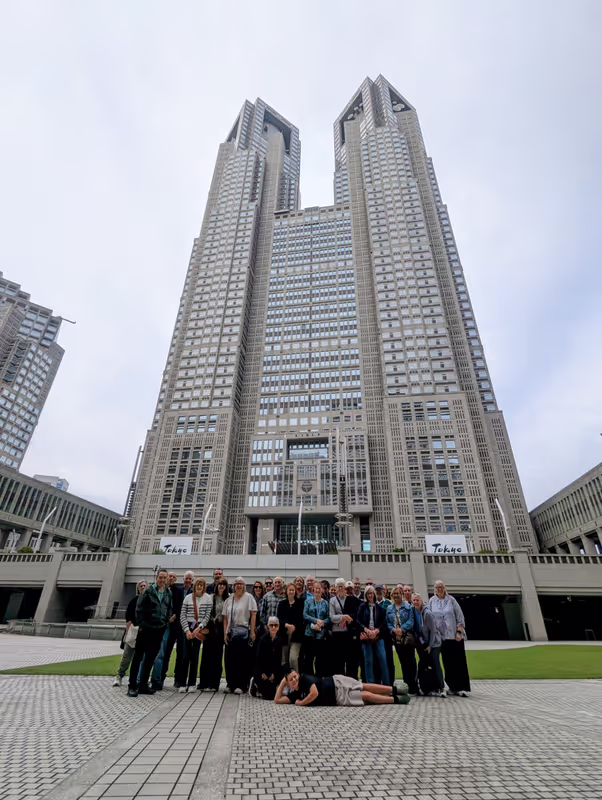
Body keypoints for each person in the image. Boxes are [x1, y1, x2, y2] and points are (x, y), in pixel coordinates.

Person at [128, 568, 173, 697]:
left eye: (165, 578)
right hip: (146, 629)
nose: (162, 580)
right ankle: (132, 686)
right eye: (161, 577)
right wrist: (142, 625)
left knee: (150, 658)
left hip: (158, 630)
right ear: (156, 578)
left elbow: (168, 609)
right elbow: (139, 609)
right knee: (138, 657)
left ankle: (143, 685)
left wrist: (165, 624)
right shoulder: (147, 591)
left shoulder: (168, 593)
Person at [274, 669, 410, 707]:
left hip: (336, 682)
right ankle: (396, 699)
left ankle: (393, 689)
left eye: (294, 676)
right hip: (337, 698)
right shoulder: (294, 695)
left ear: (298, 674)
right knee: (365, 696)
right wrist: (282, 683)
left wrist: (301, 703)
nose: (294, 680)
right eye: (290, 679)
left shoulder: (304, 679)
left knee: (363, 685)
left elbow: (314, 693)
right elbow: (277, 700)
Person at [428, 580, 470, 697]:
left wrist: (459, 631)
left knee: (458, 662)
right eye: (437, 587)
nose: (439, 589)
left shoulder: (451, 600)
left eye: (441, 587)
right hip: (441, 637)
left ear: (444, 588)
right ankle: (451, 686)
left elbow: (459, 616)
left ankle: (460, 687)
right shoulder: (432, 601)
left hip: (454, 636)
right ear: (435, 589)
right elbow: (429, 616)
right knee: (447, 663)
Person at [160, 570, 194, 690]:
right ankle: (160, 678)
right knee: (166, 652)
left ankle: (178, 679)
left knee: (181, 654)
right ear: (183, 579)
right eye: (186, 578)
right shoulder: (176, 590)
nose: (188, 581)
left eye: (190, 579)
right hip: (174, 625)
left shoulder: (194, 592)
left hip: (185, 627)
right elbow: (166, 591)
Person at [223, 576, 257, 694]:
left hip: (243, 632)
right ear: (234, 586)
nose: (239, 586)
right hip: (230, 632)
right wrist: (225, 633)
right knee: (229, 659)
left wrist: (252, 632)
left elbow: (253, 615)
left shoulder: (249, 598)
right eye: (237, 583)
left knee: (242, 660)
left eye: (241, 583)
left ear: (244, 585)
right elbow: (225, 618)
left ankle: (241, 685)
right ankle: (230, 684)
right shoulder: (229, 599)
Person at [178, 577, 212, 692]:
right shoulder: (188, 598)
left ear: (204, 586)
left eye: (202, 585)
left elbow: (207, 616)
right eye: (198, 584)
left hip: (199, 629)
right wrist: (187, 630)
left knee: (195, 656)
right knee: (184, 656)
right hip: (187, 628)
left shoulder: (208, 598)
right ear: (194, 585)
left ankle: (192, 683)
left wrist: (199, 628)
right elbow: (182, 615)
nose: (199, 586)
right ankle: (182, 683)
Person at [113, 580, 147, 687]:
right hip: (133, 631)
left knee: (142, 658)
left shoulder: (150, 601)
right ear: (138, 588)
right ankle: (119, 675)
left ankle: (138, 679)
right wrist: (128, 632)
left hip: (144, 631)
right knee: (127, 656)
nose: (143, 587)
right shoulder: (134, 601)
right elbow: (128, 618)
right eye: (141, 586)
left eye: (144, 586)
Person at [387, 585, 420, 695]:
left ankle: (414, 686)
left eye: (398, 593)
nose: (396, 595)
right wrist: (393, 630)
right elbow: (387, 623)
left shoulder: (408, 607)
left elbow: (411, 621)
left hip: (407, 638)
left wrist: (402, 629)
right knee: (403, 662)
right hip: (397, 639)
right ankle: (407, 685)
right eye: (394, 594)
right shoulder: (389, 609)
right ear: (392, 596)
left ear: (401, 595)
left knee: (411, 662)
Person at [198, 577, 228, 691]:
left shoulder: (228, 598)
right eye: (220, 584)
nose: (221, 586)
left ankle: (214, 684)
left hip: (221, 629)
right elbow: (205, 612)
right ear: (216, 585)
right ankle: (204, 682)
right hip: (210, 628)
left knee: (217, 656)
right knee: (206, 655)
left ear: (226, 586)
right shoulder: (211, 597)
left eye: (223, 584)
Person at [412, 593, 444, 696]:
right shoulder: (415, 611)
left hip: (434, 643)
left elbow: (433, 631)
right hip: (424, 642)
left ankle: (441, 687)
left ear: (421, 601)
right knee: (424, 664)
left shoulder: (427, 613)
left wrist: (430, 645)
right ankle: (429, 687)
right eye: (414, 600)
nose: (416, 602)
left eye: (417, 600)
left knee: (435, 663)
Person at [357, 585, 389, 685]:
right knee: (368, 661)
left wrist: (376, 631)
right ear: (366, 595)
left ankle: (387, 686)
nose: (370, 595)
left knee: (383, 661)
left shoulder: (379, 607)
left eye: (372, 593)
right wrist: (366, 630)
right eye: (368, 593)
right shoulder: (362, 606)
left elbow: (384, 623)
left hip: (378, 637)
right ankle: (370, 685)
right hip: (366, 637)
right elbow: (358, 621)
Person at [252, 616, 284, 700]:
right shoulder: (263, 640)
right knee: (267, 695)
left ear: (278, 627)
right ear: (267, 626)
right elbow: (259, 659)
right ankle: (255, 683)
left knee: (274, 694)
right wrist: (266, 674)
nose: (273, 627)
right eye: (271, 625)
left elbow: (278, 660)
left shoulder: (280, 640)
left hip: (274, 670)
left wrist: (273, 674)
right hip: (262, 670)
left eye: (276, 625)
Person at [302, 580, 330, 676]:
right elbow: (305, 615)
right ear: (313, 589)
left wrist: (322, 623)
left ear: (322, 590)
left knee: (320, 658)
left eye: (319, 588)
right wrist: (315, 621)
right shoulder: (308, 601)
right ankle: (309, 679)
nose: (317, 590)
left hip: (321, 634)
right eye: (316, 588)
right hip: (309, 633)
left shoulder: (326, 603)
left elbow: (328, 617)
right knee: (309, 658)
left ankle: (319, 678)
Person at [277, 581, 304, 671]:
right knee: (284, 660)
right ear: (286, 591)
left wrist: (294, 627)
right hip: (284, 635)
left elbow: (301, 618)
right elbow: (279, 618)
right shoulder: (281, 604)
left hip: (296, 636)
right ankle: (284, 681)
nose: (291, 591)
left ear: (295, 591)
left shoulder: (300, 603)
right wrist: (286, 625)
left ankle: (295, 679)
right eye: (289, 590)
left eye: (293, 590)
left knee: (293, 658)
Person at [329, 579, 353, 676]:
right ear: (335, 588)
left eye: (342, 586)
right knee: (338, 660)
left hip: (348, 633)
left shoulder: (350, 599)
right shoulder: (332, 600)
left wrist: (344, 618)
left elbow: (352, 615)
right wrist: (343, 617)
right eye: (338, 586)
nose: (341, 588)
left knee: (349, 659)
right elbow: (331, 617)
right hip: (337, 633)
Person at [375, 583, 394, 686]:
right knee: (377, 660)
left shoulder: (389, 603)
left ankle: (390, 682)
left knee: (388, 659)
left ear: (384, 591)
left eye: (380, 590)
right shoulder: (371, 603)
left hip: (386, 635)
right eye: (376, 590)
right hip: (375, 635)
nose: (378, 591)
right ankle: (378, 682)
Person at [343, 580, 362, 679]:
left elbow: (359, 617)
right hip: (344, 634)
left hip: (355, 635)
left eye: (351, 589)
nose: (349, 591)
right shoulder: (342, 601)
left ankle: (354, 680)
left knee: (355, 660)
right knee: (345, 660)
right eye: (347, 589)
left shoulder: (358, 601)